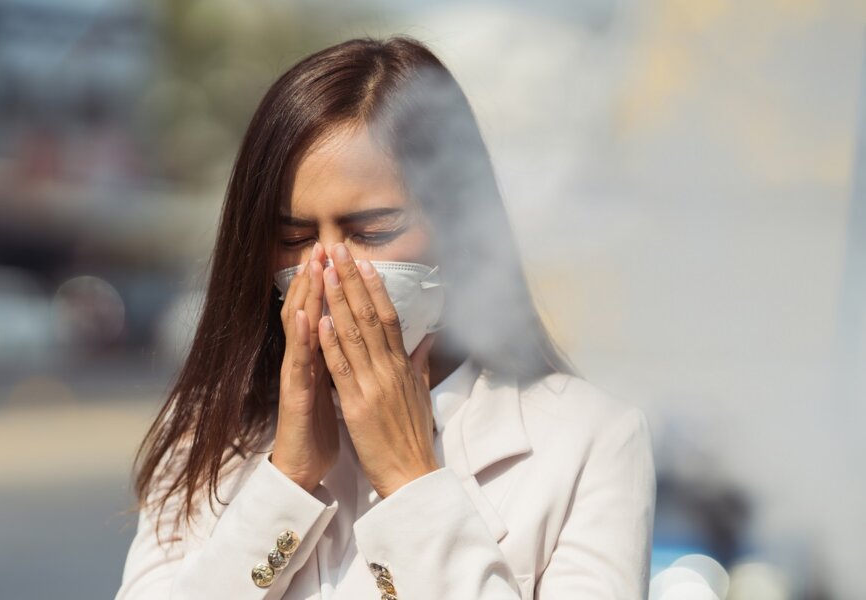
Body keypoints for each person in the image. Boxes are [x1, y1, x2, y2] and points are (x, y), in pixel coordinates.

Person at [114, 35, 656, 600]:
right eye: (294, 237)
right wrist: (285, 482)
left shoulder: (588, 441)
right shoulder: (213, 431)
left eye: (371, 232)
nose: (328, 269)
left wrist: (409, 480)